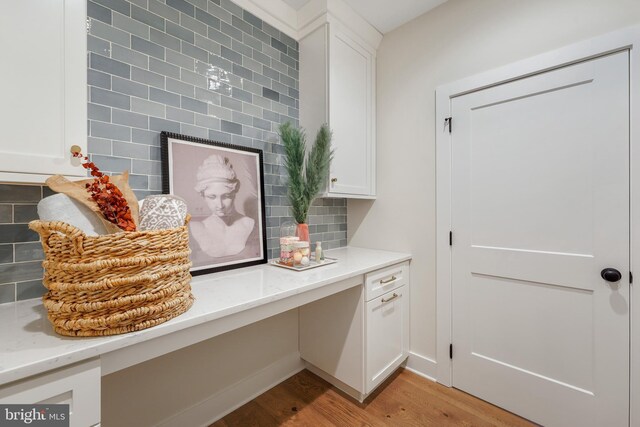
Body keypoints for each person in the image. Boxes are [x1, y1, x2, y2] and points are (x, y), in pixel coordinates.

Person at [190, 154, 257, 260]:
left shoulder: (249, 223)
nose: (220, 205)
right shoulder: (196, 228)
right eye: (212, 197)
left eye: (226, 196)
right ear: (203, 196)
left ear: (234, 193)